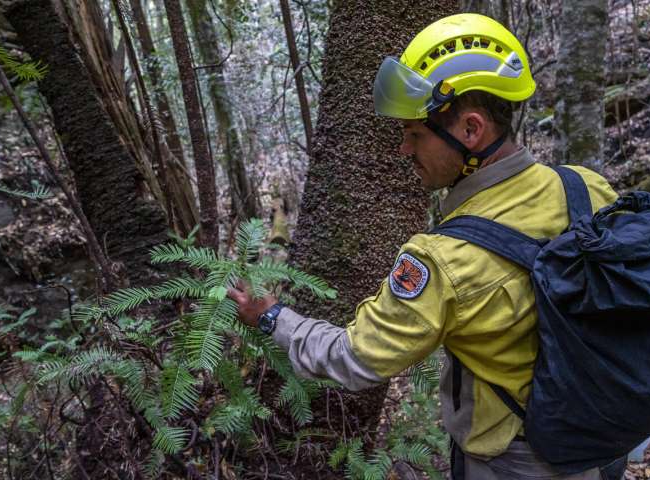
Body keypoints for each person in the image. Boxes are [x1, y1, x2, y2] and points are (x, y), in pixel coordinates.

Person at [228, 13, 623, 480]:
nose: (403, 150)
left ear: (471, 130)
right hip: (607, 438)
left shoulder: (441, 259)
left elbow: (357, 359)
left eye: (414, 134)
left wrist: (272, 318)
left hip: (518, 460)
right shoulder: (588, 188)